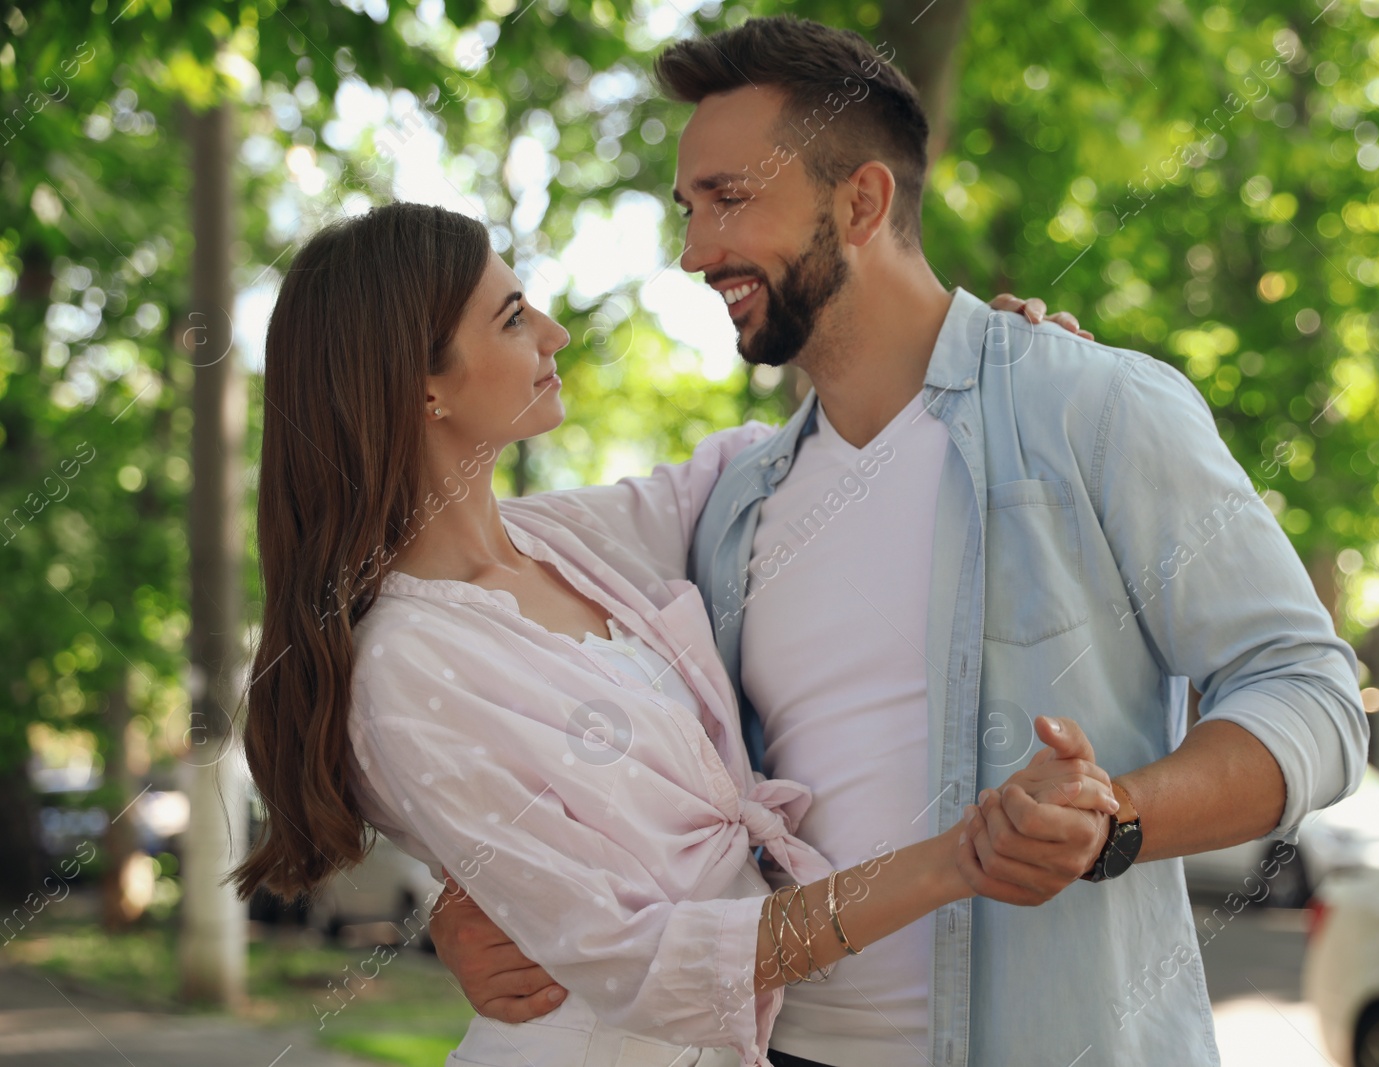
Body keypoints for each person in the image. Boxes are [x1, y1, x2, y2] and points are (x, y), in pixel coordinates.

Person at [432, 16, 1370, 1067]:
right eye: (689, 207)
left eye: (730, 199)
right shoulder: (730, 499)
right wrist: (474, 896)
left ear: (863, 200)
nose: (695, 252)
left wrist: (1119, 816)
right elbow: (507, 647)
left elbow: (1311, 692)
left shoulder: (1090, 408)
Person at [230, 201, 1107, 1067]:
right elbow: (651, 962)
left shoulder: (564, 542)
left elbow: (761, 463)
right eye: (511, 317)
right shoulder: (408, 668)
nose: (554, 332)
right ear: (420, 385)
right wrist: (964, 856)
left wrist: (952, 363)